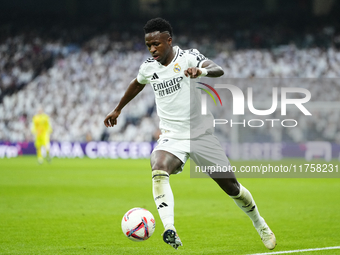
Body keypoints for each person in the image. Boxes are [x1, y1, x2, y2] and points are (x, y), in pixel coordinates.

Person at [104, 18, 276, 250]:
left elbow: (218, 69)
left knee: (231, 187)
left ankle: (260, 224)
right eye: (148, 45)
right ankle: (169, 228)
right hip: (172, 136)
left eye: (156, 44)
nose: (152, 49)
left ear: (169, 40)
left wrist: (201, 70)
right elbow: (137, 83)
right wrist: (118, 108)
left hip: (200, 135)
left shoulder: (188, 57)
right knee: (158, 164)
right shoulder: (148, 67)